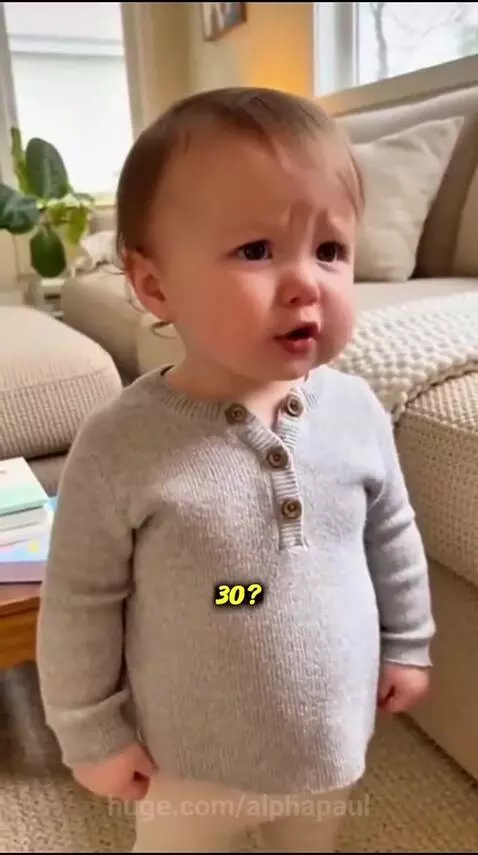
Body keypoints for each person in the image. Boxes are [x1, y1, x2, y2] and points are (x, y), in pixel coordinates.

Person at [36, 86, 435, 853]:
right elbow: (80, 599)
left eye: (330, 250)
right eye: (256, 250)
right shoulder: (121, 445)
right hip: (189, 762)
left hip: (328, 744)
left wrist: (407, 638)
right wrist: (92, 733)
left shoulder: (356, 410)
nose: (305, 283)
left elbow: (391, 531)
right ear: (155, 285)